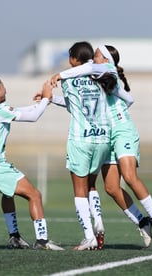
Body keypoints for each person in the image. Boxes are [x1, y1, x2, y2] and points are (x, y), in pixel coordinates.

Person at [50, 45, 152, 247]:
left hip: (122, 132)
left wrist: (59, 74)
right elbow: (128, 99)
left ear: (107, 60)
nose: (92, 58)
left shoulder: (105, 70)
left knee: (130, 176)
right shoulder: (100, 76)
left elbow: (84, 69)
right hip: (107, 135)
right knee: (112, 188)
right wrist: (51, 98)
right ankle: (142, 222)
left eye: (97, 55)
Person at [0, 74, 64, 250]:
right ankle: (42, 241)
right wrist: (45, 97)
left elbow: (24, 110)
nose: (5, 88)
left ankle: (14, 237)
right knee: (35, 195)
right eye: (3, 84)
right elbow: (34, 116)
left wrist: (45, 101)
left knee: (8, 194)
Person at [44, 41, 113, 251]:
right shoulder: (101, 77)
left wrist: (49, 98)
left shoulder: (68, 80)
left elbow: (72, 106)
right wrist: (52, 99)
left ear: (74, 59)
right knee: (92, 186)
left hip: (80, 139)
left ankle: (89, 236)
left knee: (79, 191)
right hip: (102, 139)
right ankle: (98, 220)